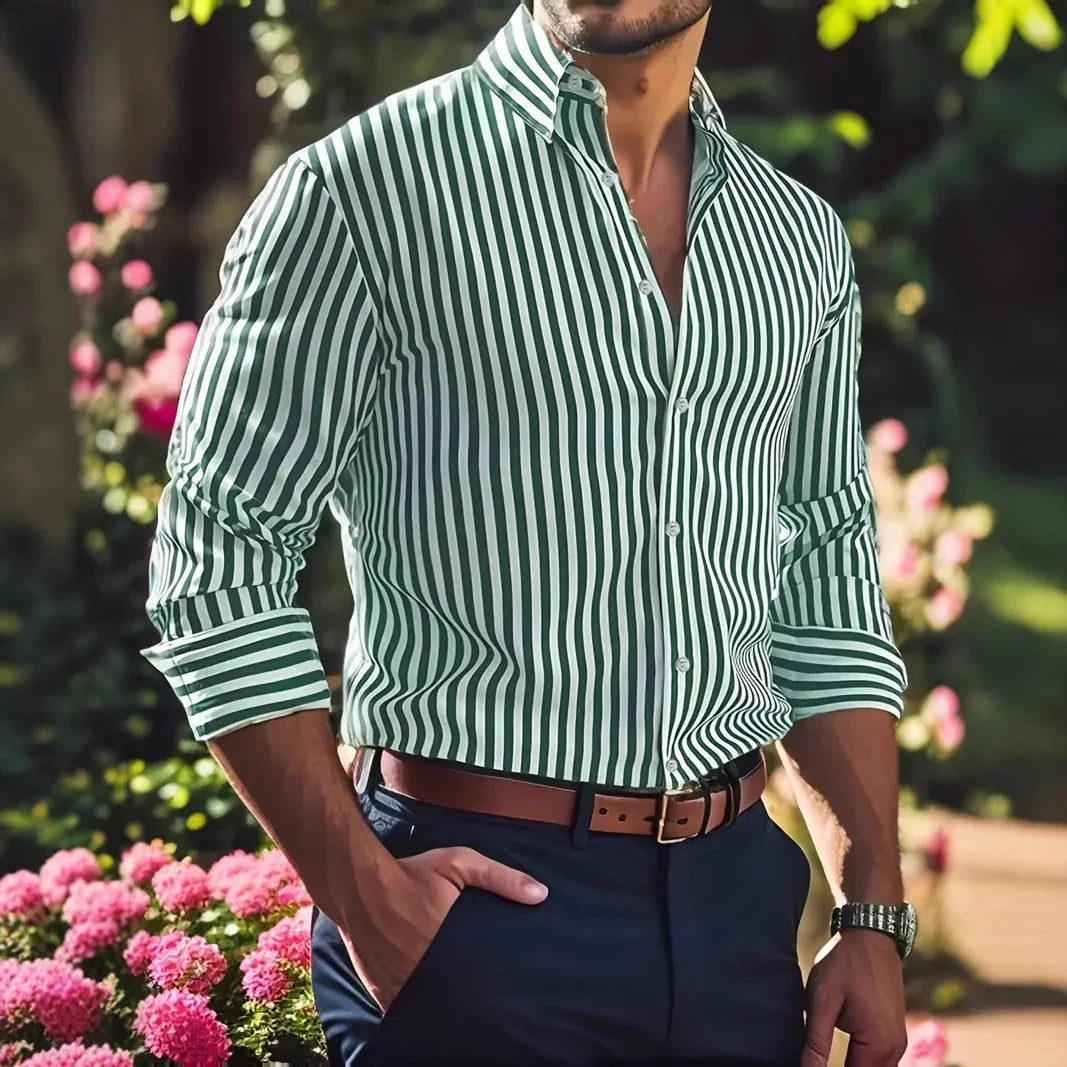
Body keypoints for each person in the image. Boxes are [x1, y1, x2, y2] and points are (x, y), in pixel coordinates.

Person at [142, 1, 916, 1064]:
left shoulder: (796, 241)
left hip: (736, 909)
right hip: (471, 906)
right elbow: (216, 555)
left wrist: (869, 915)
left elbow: (823, 578)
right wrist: (367, 897)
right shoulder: (362, 190)